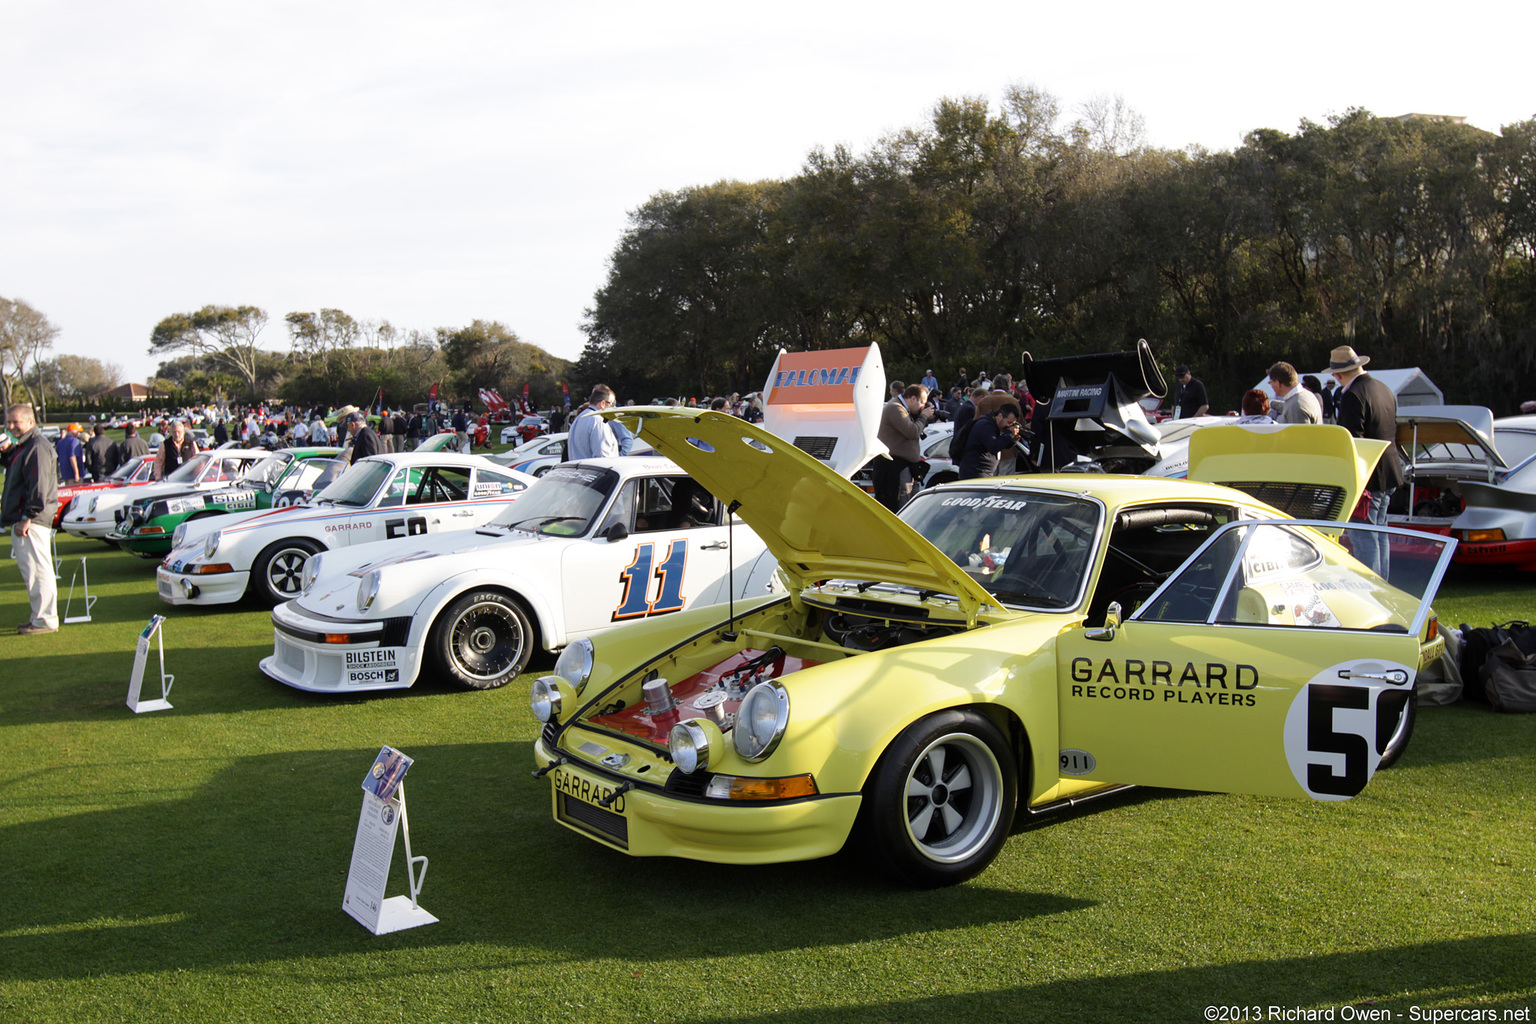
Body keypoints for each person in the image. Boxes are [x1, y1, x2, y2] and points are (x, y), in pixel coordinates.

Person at [1325, 346, 1403, 578]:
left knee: (1364, 536)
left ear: (1337, 375)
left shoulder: (1352, 395)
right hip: (1389, 468)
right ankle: (1383, 586)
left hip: (1368, 474)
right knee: (1379, 534)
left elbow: (1352, 440)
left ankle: (1372, 589)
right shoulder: (1384, 389)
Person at [2, 403, 61, 635]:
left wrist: (28, 516)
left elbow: (39, 487)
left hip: (31, 521)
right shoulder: (26, 446)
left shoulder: (36, 447)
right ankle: (38, 617)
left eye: (16, 422)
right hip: (26, 519)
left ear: (30, 422)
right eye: (9, 422)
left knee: (38, 570)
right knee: (32, 571)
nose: (11, 426)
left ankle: (45, 620)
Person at [874, 384, 933, 511]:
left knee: (909, 505)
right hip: (893, 469)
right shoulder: (895, 408)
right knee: (901, 506)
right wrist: (923, 416)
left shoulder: (905, 410)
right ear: (913, 399)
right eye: (922, 403)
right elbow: (912, 432)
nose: (924, 407)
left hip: (904, 466)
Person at [957, 401, 1024, 479]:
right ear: (1000, 416)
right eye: (1008, 422)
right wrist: (1009, 433)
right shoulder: (986, 425)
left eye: (1012, 424)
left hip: (983, 472)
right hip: (976, 473)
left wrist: (1013, 440)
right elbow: (994, 447)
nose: (1009, 426)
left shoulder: (993, 425)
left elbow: (1000, 444)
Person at [567, 386, 619, 460]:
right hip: (596, 470)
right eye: (612, 404)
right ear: (603, 403)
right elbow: (603, 457)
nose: (614, 408)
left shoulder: (580, 417)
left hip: (580, 469)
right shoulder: (598, 421)